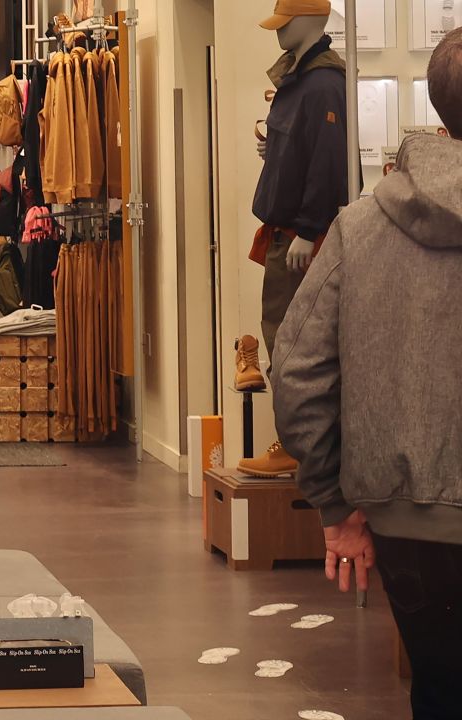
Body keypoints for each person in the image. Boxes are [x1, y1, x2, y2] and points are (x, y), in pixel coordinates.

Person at [272, 28, 462, 720]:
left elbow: (296, 371)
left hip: (408, 527)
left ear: (438, 113)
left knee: (440, 689)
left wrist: (333, 503)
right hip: (409, 514)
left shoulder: (360, 227)